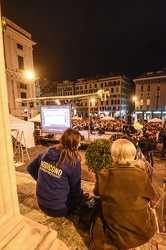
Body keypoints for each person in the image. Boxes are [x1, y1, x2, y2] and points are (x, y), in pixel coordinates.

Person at [90, 138, 157, 250]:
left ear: (113, 155)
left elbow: (96, 192)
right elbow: (151, 196)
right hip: (142, 231)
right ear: (132, 154)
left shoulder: (104, 174)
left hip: (113, 234)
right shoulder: (142, 175)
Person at [27, 128, 84, 217]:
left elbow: (30, 168)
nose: (80, 145)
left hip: (41, 203)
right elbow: (76, 192)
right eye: (78, 142)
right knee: (80, 197)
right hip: (59, 210)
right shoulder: (73, 162)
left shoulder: (47, 151)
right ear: (73, 144)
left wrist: (44, 181)